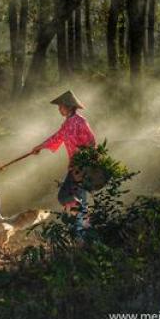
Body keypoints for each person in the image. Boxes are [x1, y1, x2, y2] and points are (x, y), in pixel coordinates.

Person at [31, 90, 96, 232]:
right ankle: (83, 229)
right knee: (77, 198)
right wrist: (40, 147)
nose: (59, 109)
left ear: (69, 106)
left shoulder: (81, 122)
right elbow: (57, 137)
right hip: (74, 167)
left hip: (81, 167)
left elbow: (91, 142)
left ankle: (82, 224)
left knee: (65, 196)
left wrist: (85, 163)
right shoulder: (67, 123)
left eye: (61, 106)